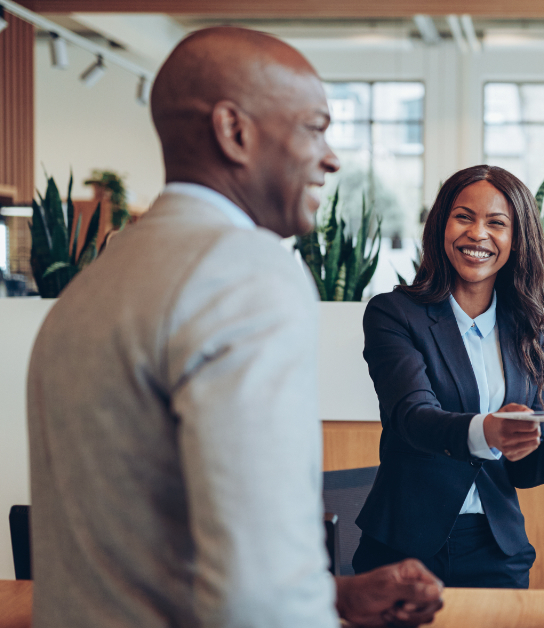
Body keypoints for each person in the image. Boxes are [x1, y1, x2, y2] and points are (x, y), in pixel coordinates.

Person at [26, 27, 442, 628]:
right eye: (314, 127)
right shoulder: (247, 273)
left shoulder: (93, 283)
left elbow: (139, 544)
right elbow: (260, 596)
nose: (332, 158)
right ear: (235, 132)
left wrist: (332, 593)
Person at [352, 165, 544, 589]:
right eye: (464, 217)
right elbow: (412, 416)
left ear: (516, 241)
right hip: (404, 550)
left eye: (497, 223)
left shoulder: (529, 334)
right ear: (441, 226)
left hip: (497, 550)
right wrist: (488, 430)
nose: (477, 233)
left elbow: (521, 467)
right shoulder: (394, 314)